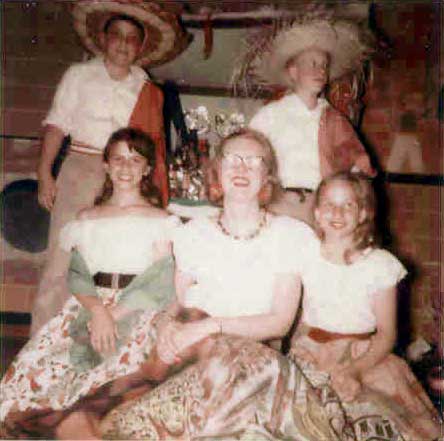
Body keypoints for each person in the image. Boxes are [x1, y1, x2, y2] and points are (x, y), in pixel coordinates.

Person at [98, 129, 350, 441]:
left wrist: (209, 328)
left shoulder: (290, 235)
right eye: (232, 160)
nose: (242, 168)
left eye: (253, 161)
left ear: (267, 176)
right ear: (217, 171)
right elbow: (174, 303)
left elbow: (280, 323)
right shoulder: (192, 234)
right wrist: (165, 327)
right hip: (191, 354)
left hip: (255, 360)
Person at [0, 128, 181, 439]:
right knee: (37, 369)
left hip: (136, 308)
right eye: (118, 159)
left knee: (107, 377)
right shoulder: (86, 218)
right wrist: (97, 311)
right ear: (106, 166)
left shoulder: (161, 221)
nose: (126, 167)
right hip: (90, 305)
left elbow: (161, 280)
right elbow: (78, 274)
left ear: (147, 169)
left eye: (135, 160)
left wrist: (113, 315)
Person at [31, 1, 190, 334]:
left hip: (126, 178)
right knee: (61, 262)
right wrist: (45, 174)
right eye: (116, 35)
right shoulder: (79, 75)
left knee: (112, 260)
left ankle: (103, 338)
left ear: (140, 47)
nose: (123, 44)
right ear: (102, 39)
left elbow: (150, 145)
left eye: (132, 38)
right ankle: (41, 347)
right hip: (81, 168)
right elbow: (56, 126)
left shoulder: (144, 85)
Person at [289, 172, 441, 441]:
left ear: (362, 214)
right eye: (329, 204)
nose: (337, 212)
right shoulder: (304, 253)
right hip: (312, 350)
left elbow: (386, 334)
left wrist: (354, 370)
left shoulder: (380, 265)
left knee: (377, 419)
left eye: (348, 205)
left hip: (366, 356)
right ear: (317, 213)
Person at [248, 19, 376, 223]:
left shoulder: (335, 119)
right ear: (293, 72)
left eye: (324, 66)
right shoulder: (270, 115)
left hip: (321, 207)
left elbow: (358, 164)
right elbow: (249, 158)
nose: (321, 71)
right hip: (280, 205)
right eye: (313, 64)